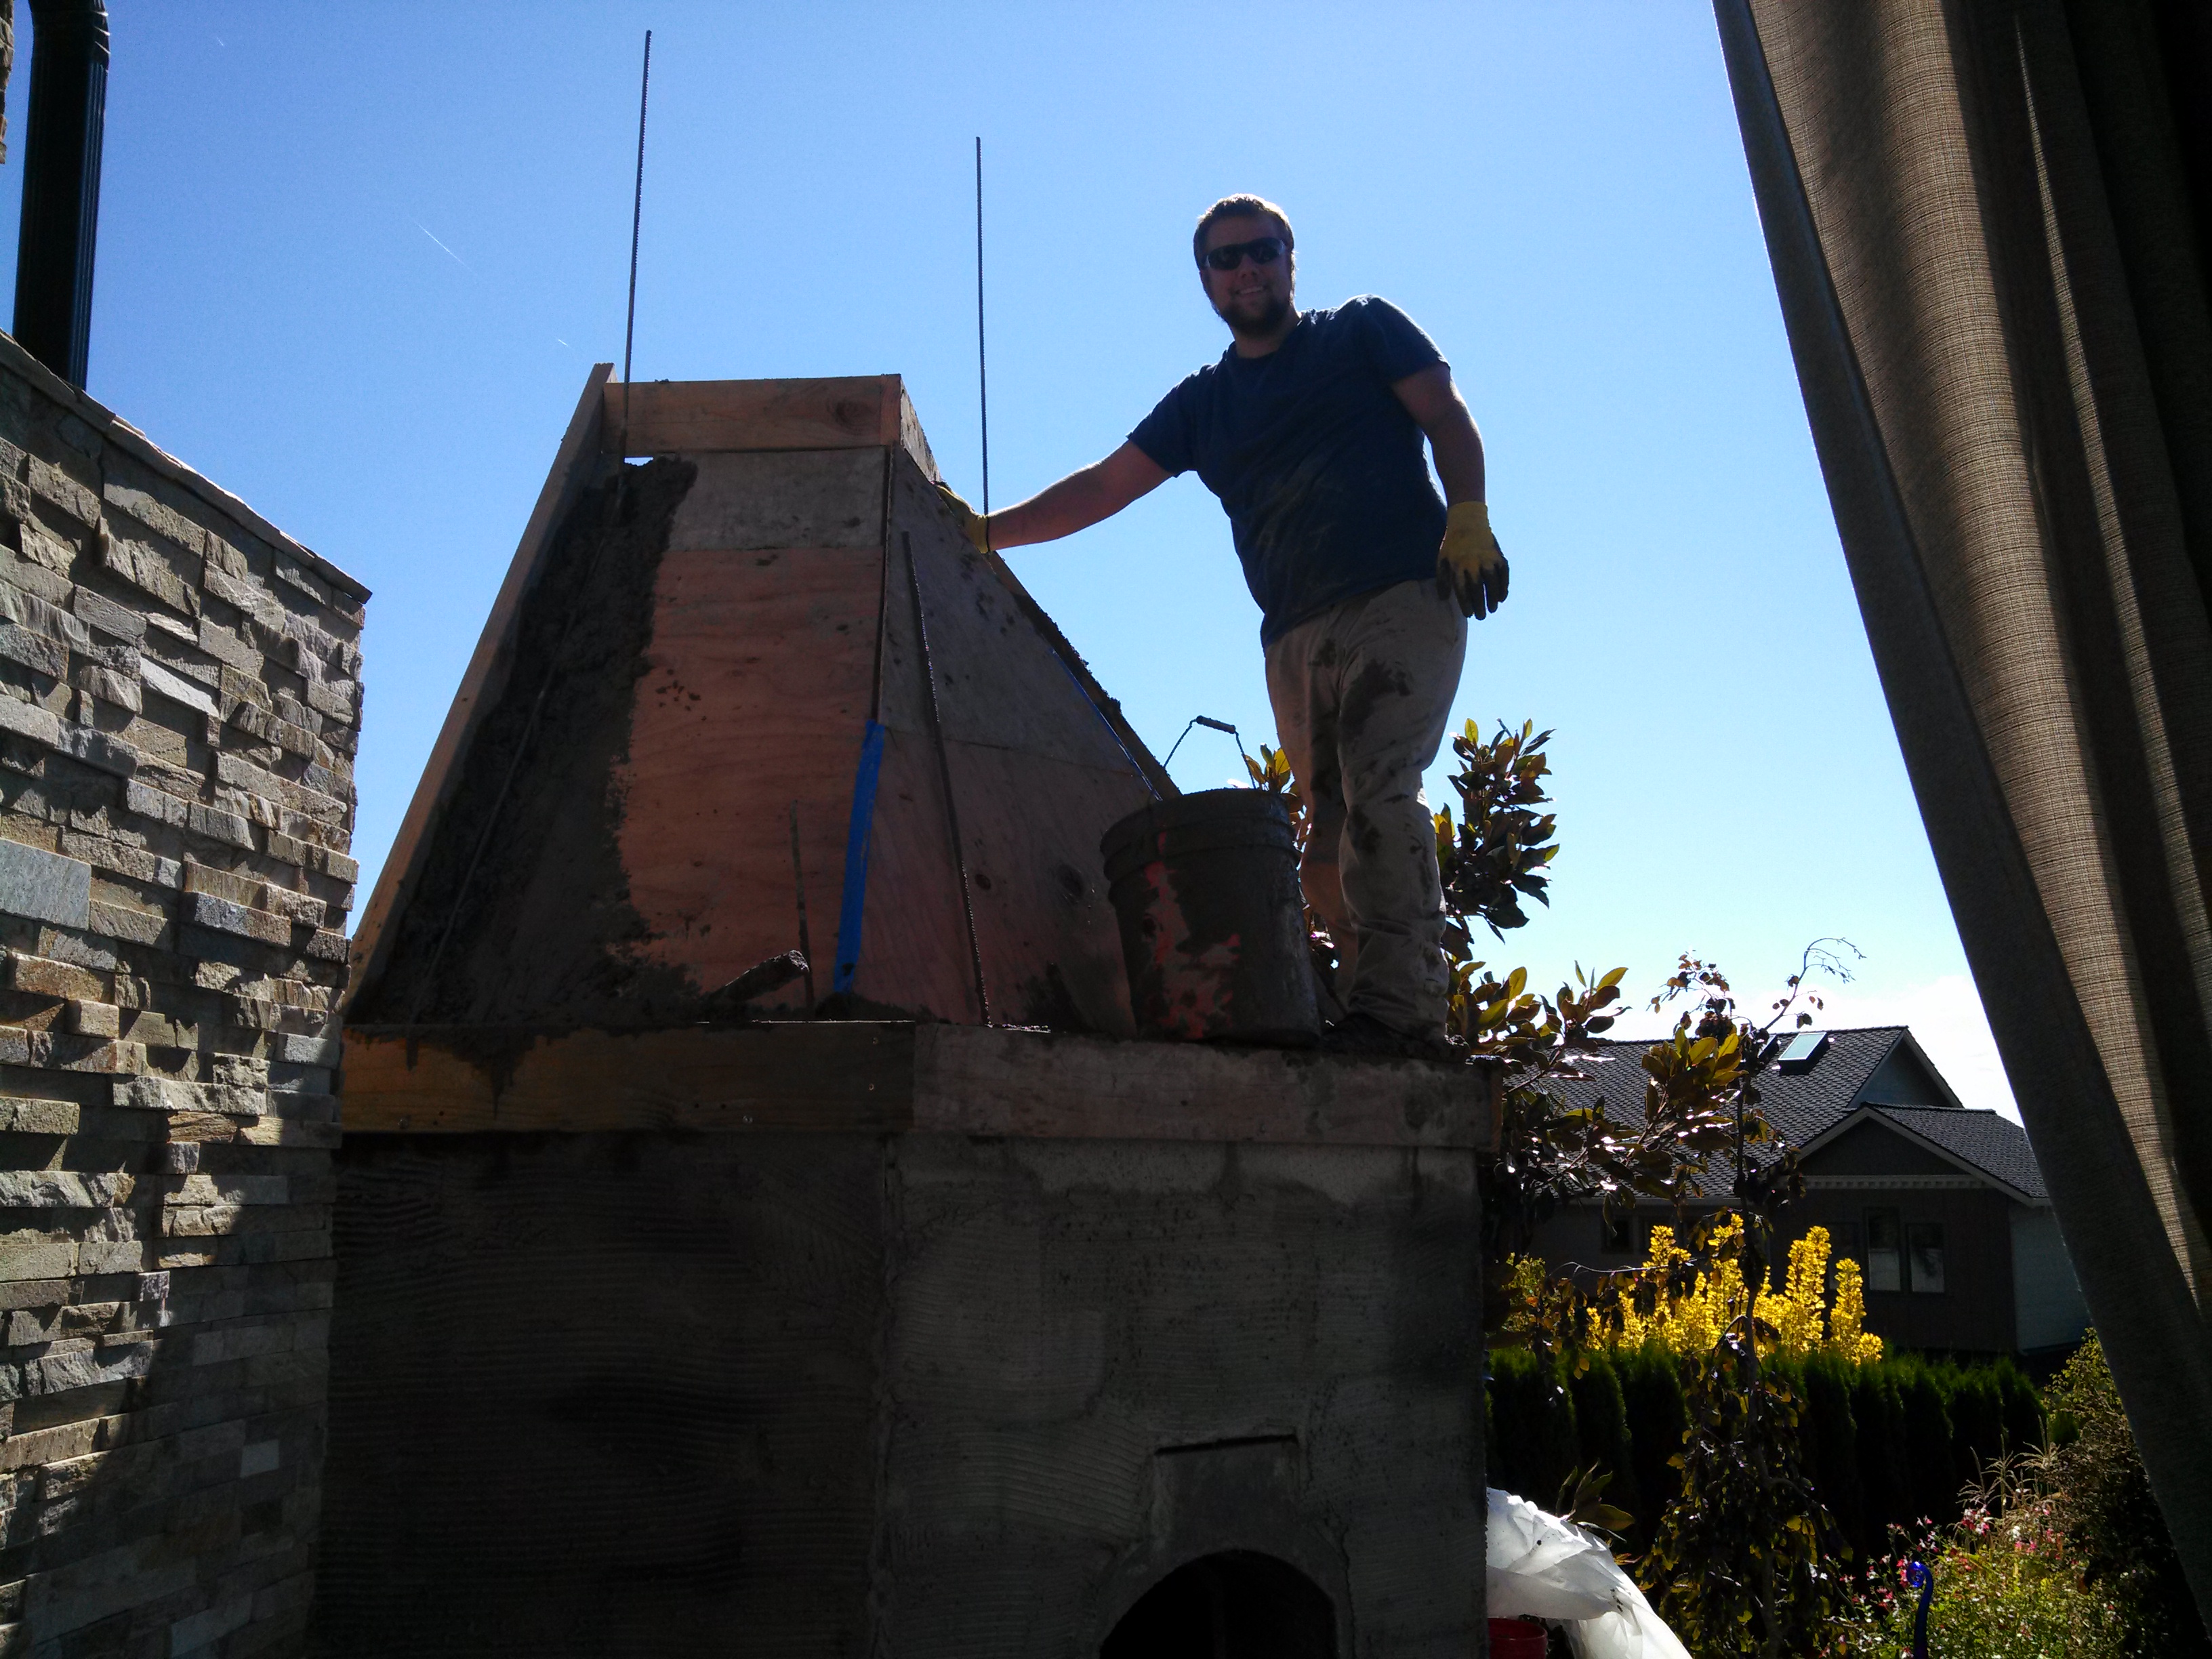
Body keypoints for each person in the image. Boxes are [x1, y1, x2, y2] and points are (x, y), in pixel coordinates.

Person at [937, 194, 1508, 1054]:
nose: (1245, 269)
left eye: (1261, 251)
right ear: (1204, 280)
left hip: (1401, 594)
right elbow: (1103, 486)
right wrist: (988, 532)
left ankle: (1406, 1015)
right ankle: (1365, 1009)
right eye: (1225, 259)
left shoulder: (1360, 331)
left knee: (1381, 788)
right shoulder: (1202, 405)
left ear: (1290, 259)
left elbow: (1444, 413)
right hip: (1293, 631)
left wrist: (1469, 514)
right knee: (1329, 829)